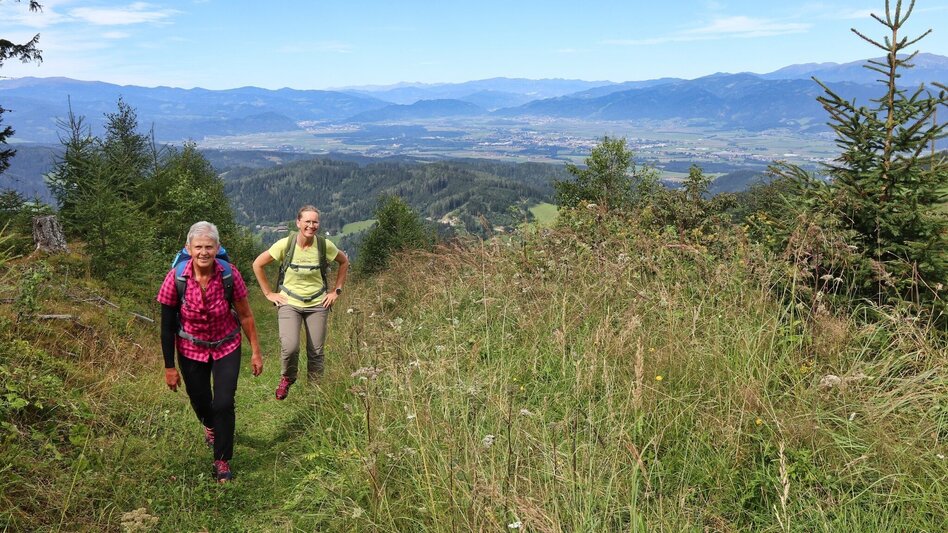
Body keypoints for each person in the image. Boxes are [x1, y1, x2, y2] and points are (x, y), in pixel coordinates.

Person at [157, 221, 263, 483]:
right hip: (190, 348)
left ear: (217, 248)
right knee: (200, 401)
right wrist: (170, 367)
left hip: (227, 343)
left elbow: (246, 315)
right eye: (198, 247)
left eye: (209, 247)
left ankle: (222, 460)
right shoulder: (176, 278)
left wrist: (256, 352)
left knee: (224, 402)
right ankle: (210, 426)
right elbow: (167, 326)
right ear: (188, 248)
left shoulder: (229, 274)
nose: (204, 252)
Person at [252, 205, 348, 400]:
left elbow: (344, 261)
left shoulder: (324, 245)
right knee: (290, 346)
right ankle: (288, 377)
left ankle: (315, 393)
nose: (311, 226)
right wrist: (269, 293)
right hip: (289, 302)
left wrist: (336, 291)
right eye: (307, 221)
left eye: (315, 222)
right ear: (298, 223)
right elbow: (257, 264)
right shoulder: (285, 245)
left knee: (316, 351)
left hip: (318, 303)